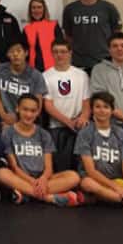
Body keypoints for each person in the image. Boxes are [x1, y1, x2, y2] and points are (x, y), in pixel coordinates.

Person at [0, 94, 82, 206]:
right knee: (2, 173)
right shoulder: (8, 133)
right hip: (21, 177)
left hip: (43, 179)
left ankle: (26, 194)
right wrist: (32, 181)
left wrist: (43, 179)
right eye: (25, 110)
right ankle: (49, 198)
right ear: (17, 109)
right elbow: (14, 167)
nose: (29, 114)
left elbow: (49, 168)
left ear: (37, 112)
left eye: (33, 111)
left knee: (74, 177)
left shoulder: (44, 134)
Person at [74, 92, 123, 208]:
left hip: (118, 180)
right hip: (96, 180)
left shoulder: (122, 134)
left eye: (106, 107)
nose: (102, 110)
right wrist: (115, 187)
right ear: (92, 110)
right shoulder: (85, 134)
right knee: (88, 184)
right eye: (98, 107)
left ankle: (103, 198)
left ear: (112, 110)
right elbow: (90, 171)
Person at [42, 39, 90, 172]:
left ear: (70, 53)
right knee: (61, 167)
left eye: (63, 52)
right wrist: (68, 122)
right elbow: (48, 105)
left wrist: (83, 118)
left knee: (81, 165)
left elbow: (86, 102)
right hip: (56, 128)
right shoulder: (45, 76)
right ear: (52, 54)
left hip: (79, 127)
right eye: (56, 52)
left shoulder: (82, 75)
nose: (59, 55)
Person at [62, 0, 122, 74]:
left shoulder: (108, 8)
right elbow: (68, 37)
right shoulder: (70, 9)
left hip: (104, 61)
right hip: (79, 63)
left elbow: (117, 34)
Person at [0, 42, 46, 131]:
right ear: (7, 54)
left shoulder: (36, 75)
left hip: (27, 120)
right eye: (11, 52)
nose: (15, 54)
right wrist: (4, 116)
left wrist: (20, 122)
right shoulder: (0, 70)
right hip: (4, 119)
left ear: (26, 53)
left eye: (18, 51)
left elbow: (38, 104)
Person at [22, 0, 64, 72]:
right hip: (33, 70)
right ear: (30, 10)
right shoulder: (26, 29)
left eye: (39, 7)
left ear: (44, 9)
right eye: (33, 8)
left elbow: (61, 48)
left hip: (53, 69)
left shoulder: (54, 25)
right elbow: (24, 52)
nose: (36, 10)